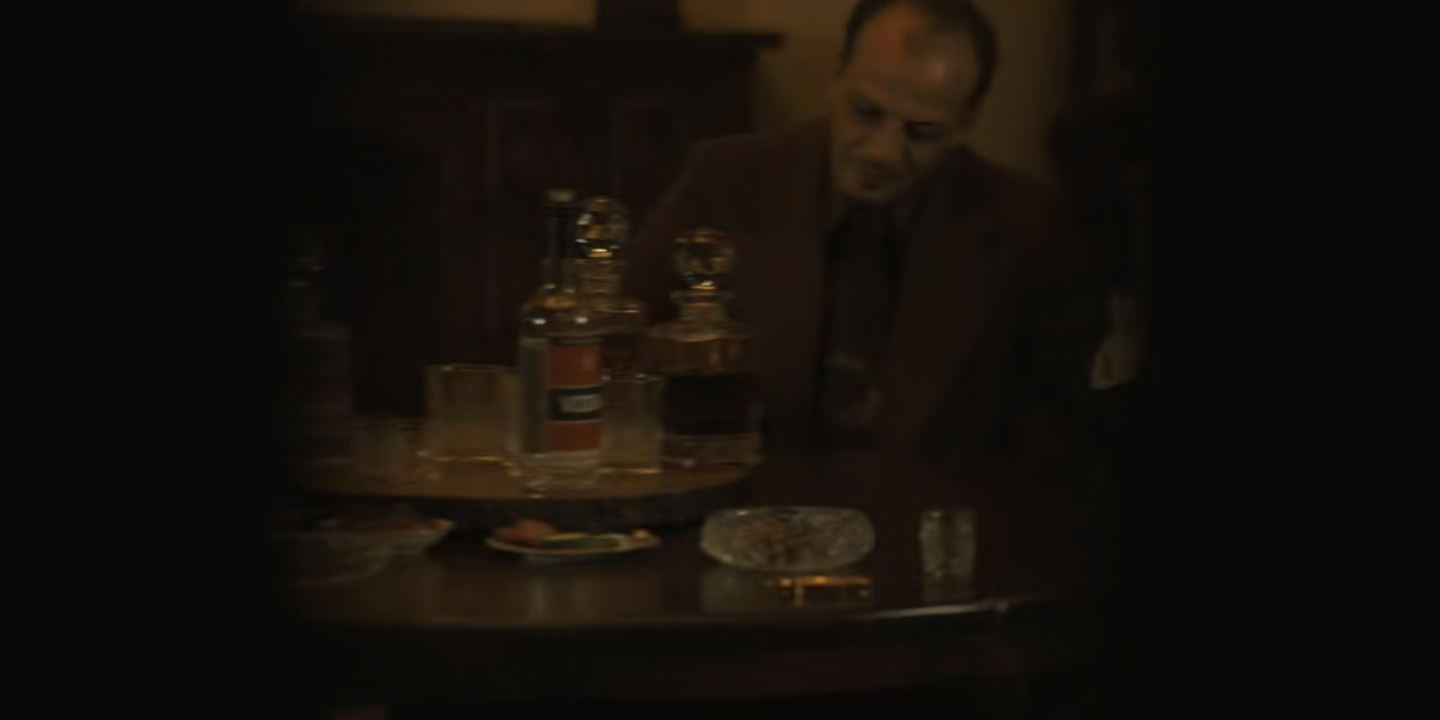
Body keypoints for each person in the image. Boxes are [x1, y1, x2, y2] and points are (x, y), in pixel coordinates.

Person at [623, 0, 1108, 478]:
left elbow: (1056, 446)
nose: (883, 153)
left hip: (935, 512)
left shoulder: (1027, 226)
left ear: (966, 123)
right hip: (744, 505)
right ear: (837, 79)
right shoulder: (725, 180)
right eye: (865, 112)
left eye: (921, 132)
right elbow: (627, 352)